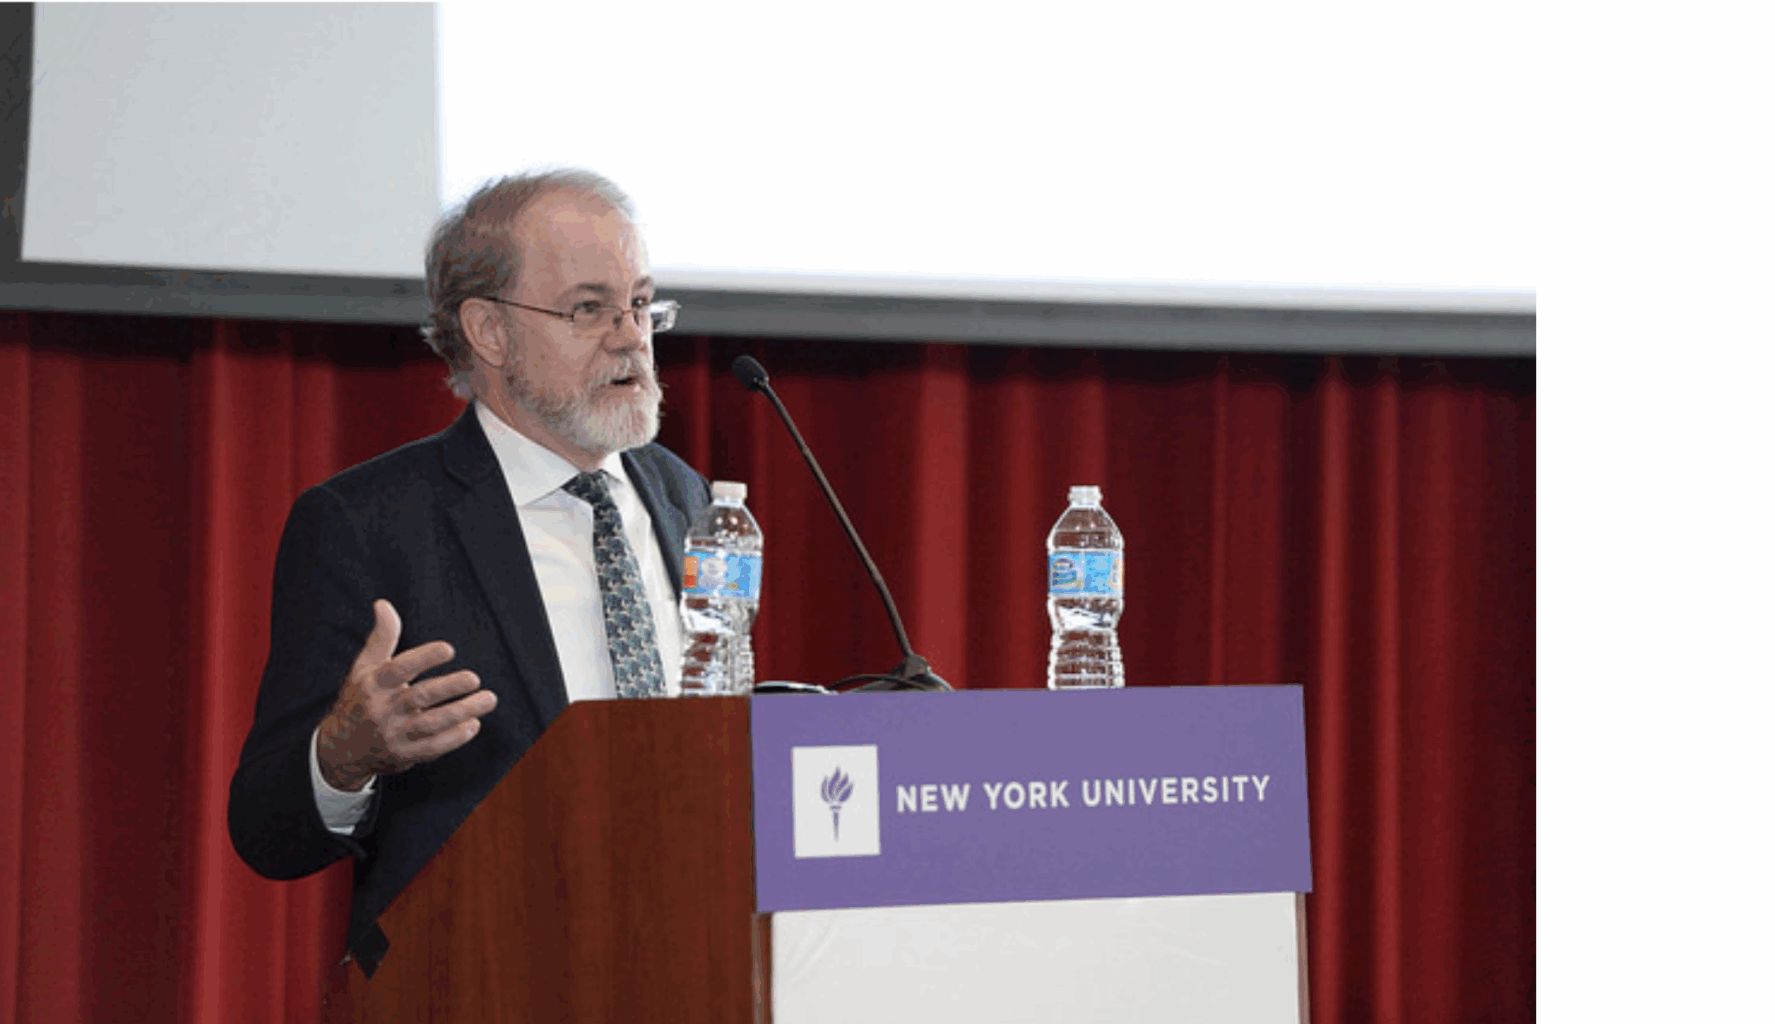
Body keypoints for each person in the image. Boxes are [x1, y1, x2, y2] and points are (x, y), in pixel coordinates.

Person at [227, 169, 709, 975]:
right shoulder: (368, 524)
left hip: (685, 956)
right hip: (475, 976)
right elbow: (266, 828)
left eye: (639, 303)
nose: (631, 337)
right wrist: (343, 757)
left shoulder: (681, 494)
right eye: (589, 308)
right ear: (488, 331)